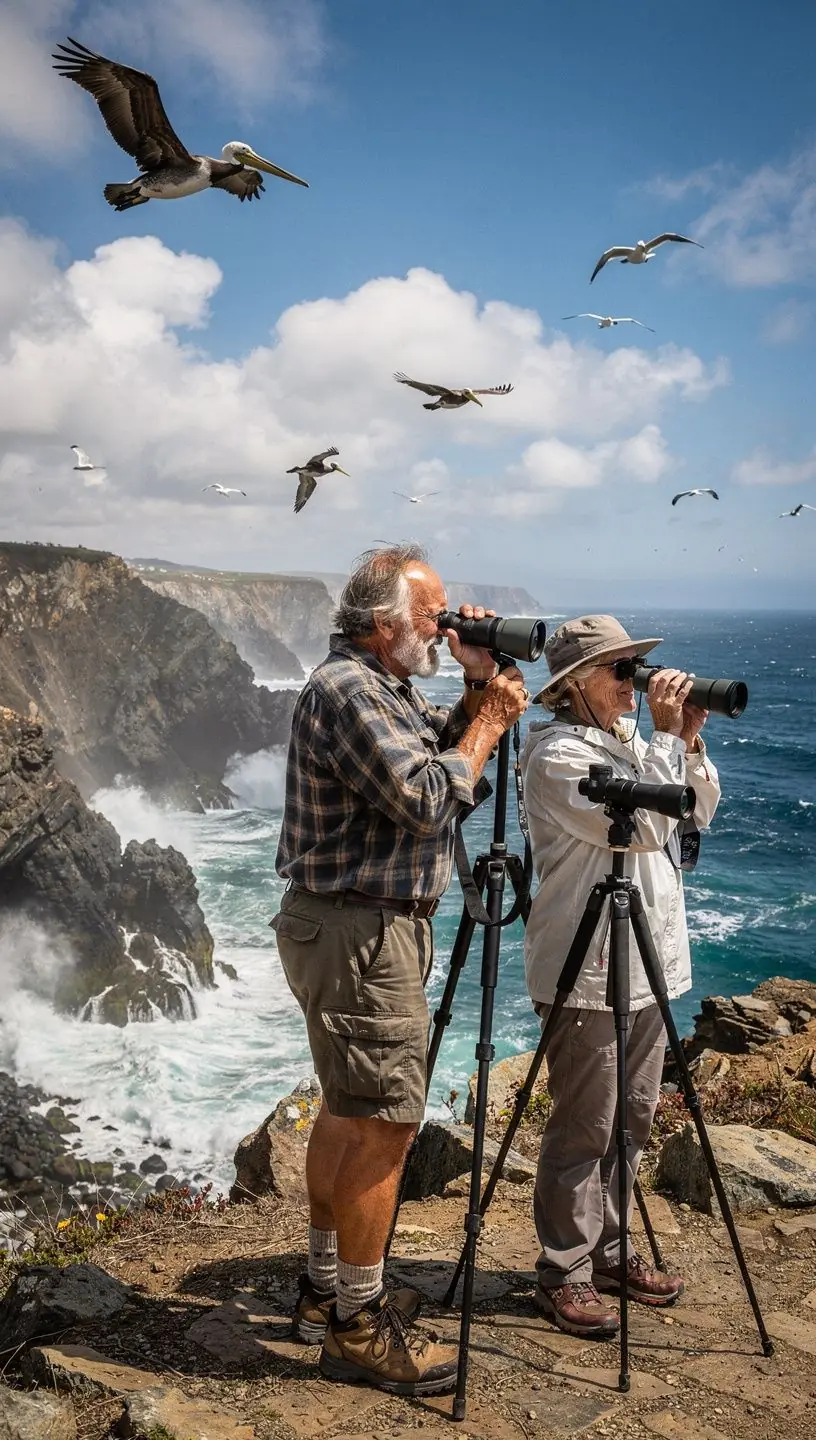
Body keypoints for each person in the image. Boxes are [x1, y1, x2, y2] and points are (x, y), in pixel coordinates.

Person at [272, 543, 529, 1394]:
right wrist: (491, 719)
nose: (444, 623)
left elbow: (431, 767)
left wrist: (472, 689)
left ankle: (323, 1289)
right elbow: (426, 801)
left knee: (349, 1113)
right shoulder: (348, 690)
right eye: (433, 613)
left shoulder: (384, 686)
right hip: (360, 933)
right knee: (385, 1123)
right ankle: (356, 1323)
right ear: (384, 623)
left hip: (357, 928)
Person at [520, 614, 720, 1339]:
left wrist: (687, 740)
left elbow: (696, 812)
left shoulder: (628, 742)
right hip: (586, 965)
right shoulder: (556, 757)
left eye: (635, 667)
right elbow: (640, 826)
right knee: (585, 1126)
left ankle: (609, 1252)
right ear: (575, 686)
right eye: (620, 670)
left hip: (646, 964)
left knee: (631, 1121)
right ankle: (564, 1272)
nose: (634, 683)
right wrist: (666, 741)